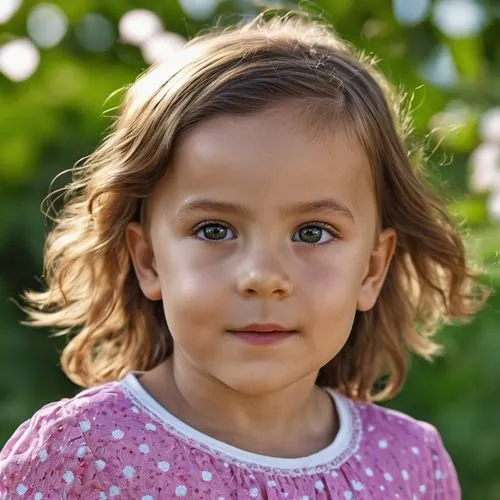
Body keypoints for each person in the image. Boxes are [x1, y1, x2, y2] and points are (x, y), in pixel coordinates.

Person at [0, 11, 487, 499]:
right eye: (215, 229)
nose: (263, 276)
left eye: (313, 233)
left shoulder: (409, 463)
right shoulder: (78, 456)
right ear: (148, 261)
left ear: (372, 268)